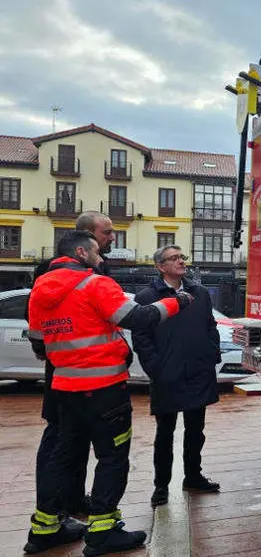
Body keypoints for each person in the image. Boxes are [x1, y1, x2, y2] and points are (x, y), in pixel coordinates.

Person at [24, 231, 192, 556]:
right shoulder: (95, 284)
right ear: (81, 253)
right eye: (97, 253)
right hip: (104, 390)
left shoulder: (40, 290)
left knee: (63, 458)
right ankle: (103, 531)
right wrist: (177, 302)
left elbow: (39, 342)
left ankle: (44, 528)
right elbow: (138, 318)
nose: (101, 259)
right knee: (112, 457)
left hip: (65, 391)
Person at [27, 212, 118, 522]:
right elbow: (38, 319)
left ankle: (73, 499)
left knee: (78, 440)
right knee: (59, 440)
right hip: (65, 372)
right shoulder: (53, 270)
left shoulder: (98, 267)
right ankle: (50, 509)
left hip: (87, 374)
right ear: (86, 238)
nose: (112, 238)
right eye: (106, 232)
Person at [133, 245, 222, 508]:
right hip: (167, 375)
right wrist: (155, 368)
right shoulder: (146, 298)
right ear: (160, 266)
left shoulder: (199, 293)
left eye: (182, 257)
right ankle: (161, 487)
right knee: (165, 434)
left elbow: (210, 326)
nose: (181, 261)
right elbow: (141, 337)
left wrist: (211, 355)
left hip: (198, 372)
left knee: (196, 431)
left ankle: (193, 477)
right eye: (174, 258)